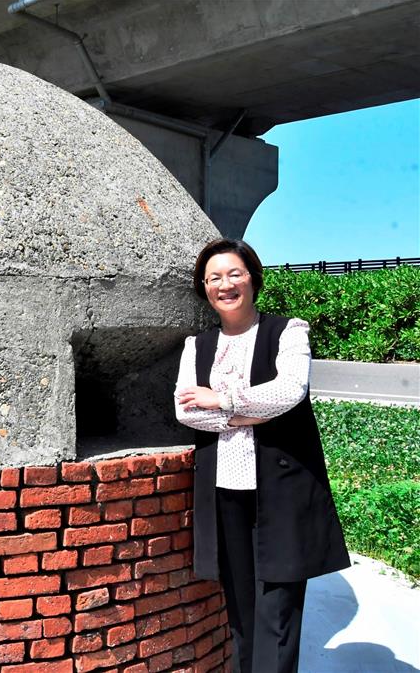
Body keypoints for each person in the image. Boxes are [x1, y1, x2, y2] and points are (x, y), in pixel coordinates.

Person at [174, 238, 350, 673]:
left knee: (278, 610)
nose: (225, 285)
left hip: (281, 489)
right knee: (240, 608)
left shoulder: (288, 331)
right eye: (214, 278)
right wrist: (247, 414)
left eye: (234, 273)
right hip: (225, 490)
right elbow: (185, 410)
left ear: (253, 278)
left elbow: (289, 391)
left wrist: (221, 401)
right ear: (203, 287)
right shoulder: (197, 345)